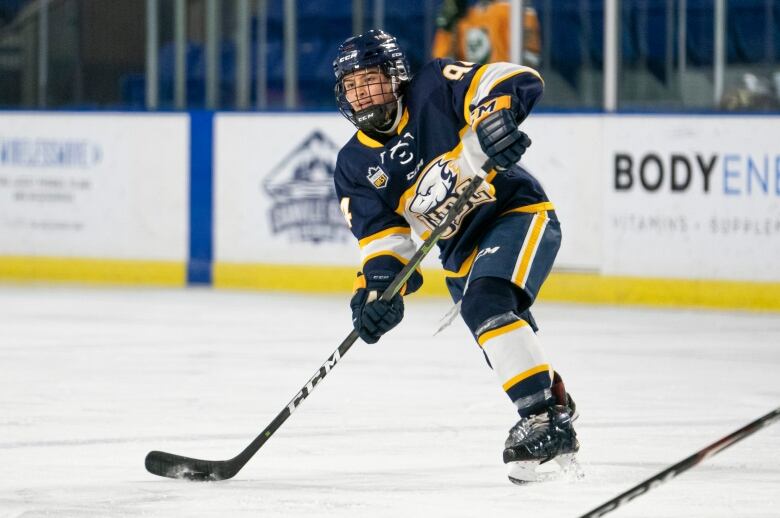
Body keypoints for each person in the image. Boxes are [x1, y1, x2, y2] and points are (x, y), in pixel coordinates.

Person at [332, 29, 578, 483]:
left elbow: (512, 78)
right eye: (351, 85)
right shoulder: (352, 165)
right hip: (459, 251)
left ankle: (543, 419)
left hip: (515, 212)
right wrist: (376, 293)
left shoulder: (433, 85)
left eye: (370, 79)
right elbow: (384, 242)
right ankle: (552, 407)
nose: (362, 92)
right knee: (495, 328)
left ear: (396, 76)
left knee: (487, 302)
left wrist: (496, 119)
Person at [431, 0, 541, 68]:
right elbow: (443, 65)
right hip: (473, 91)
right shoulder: (466, 16)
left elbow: (529, 60)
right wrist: (447, 30)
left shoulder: (516, 9)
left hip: (503, 89)